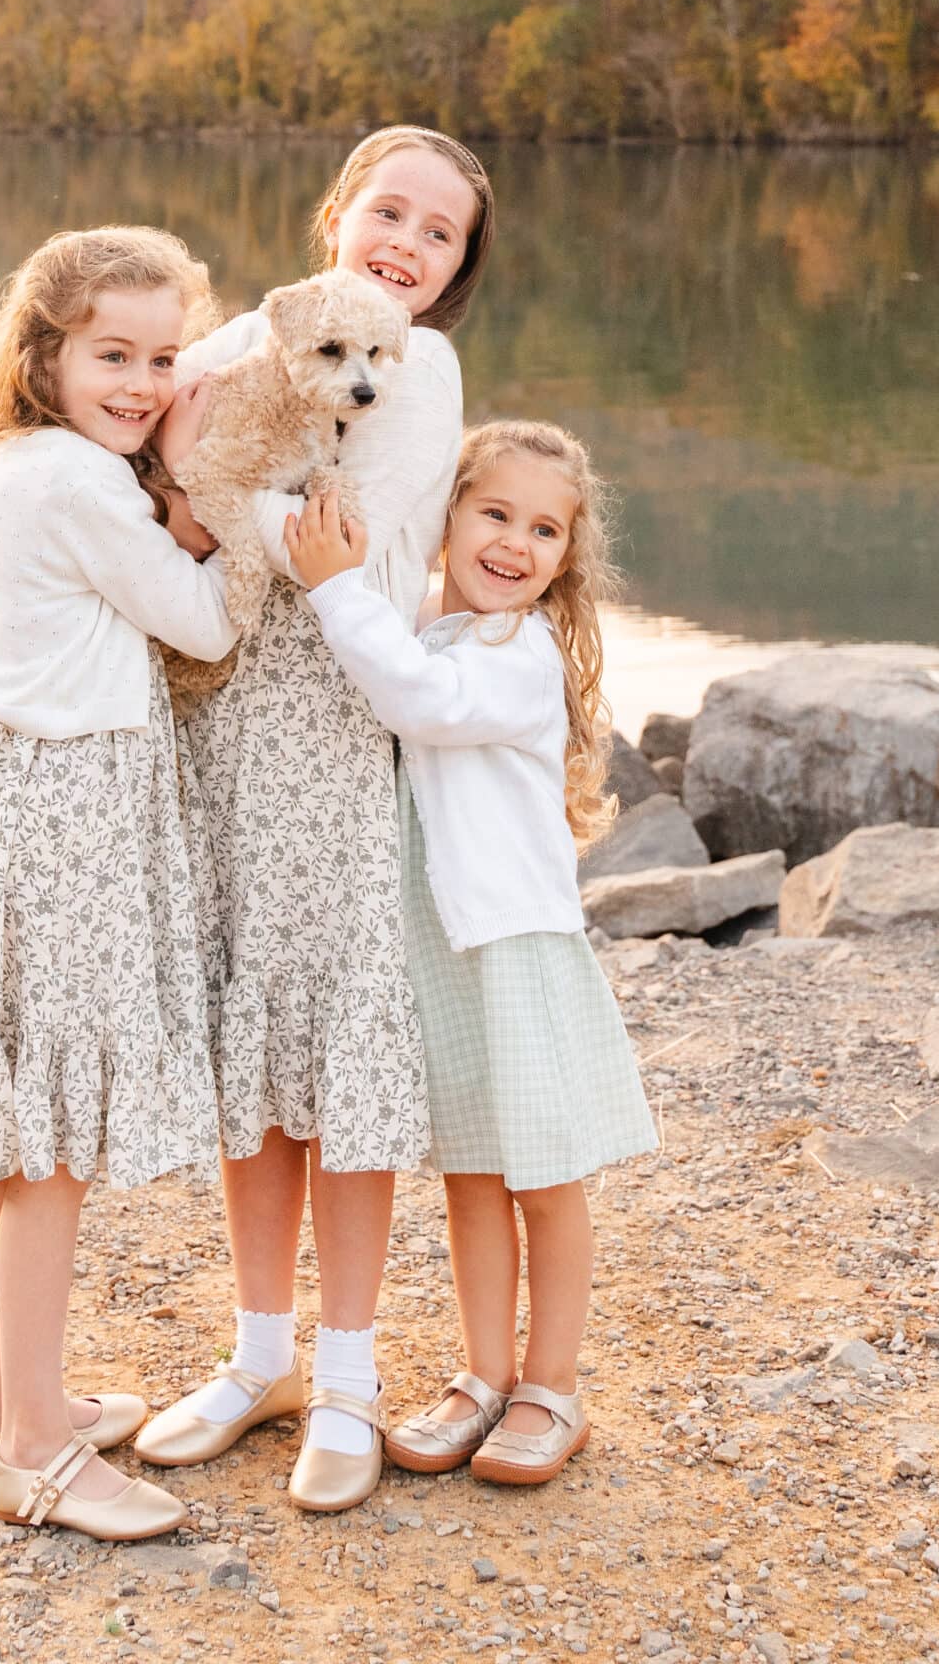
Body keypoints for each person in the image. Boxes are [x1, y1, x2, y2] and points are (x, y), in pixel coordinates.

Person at [135, 127, 495, 1512]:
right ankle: (260, 1353)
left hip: (337, 719)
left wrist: (201, 492)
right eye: (386, 212)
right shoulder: (260, 330)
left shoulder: (416, 364)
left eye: (438, 232)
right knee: (252, 1039)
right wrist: (189, 479)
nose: (405, 242)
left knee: (336, 1043)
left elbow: (328, 525)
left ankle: (346, 1371)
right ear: (335, 216)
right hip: (227, 713)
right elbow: (165, 430)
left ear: (455, 269)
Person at [0, 226, 235, 1542]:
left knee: (19, 1139)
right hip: (67, 825)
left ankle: (4, 1409)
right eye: (113, 355)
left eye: (162, 359)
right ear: (46, 354)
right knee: (51, 1149)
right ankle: (33, 1451)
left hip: (22, 810)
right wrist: (199, 490)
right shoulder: (82, 485)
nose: (141, 383)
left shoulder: (27, 465)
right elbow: (200, 621)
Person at [284, 418, 656, 1486]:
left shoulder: (515, 652)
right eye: (493, 512)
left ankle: (551, 1384)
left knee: (543, 1175)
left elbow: (415, 702)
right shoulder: (430, 623)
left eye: (542, 529)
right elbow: (393, 673)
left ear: (563, 558)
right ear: (443, 519)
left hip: (513, 941)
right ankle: (482, 1372)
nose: (514, 542)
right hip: (441, 946)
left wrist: (333, 587)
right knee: (471, 1174)